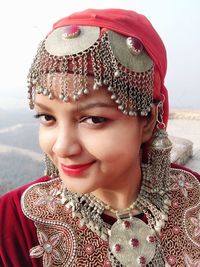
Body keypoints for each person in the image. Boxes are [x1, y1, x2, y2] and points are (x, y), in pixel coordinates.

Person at [0, 8, 199, 267]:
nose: (62, 146)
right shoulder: (12, 223)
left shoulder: (192, 199)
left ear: (148, 121)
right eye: (47, 118)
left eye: (93, 119)